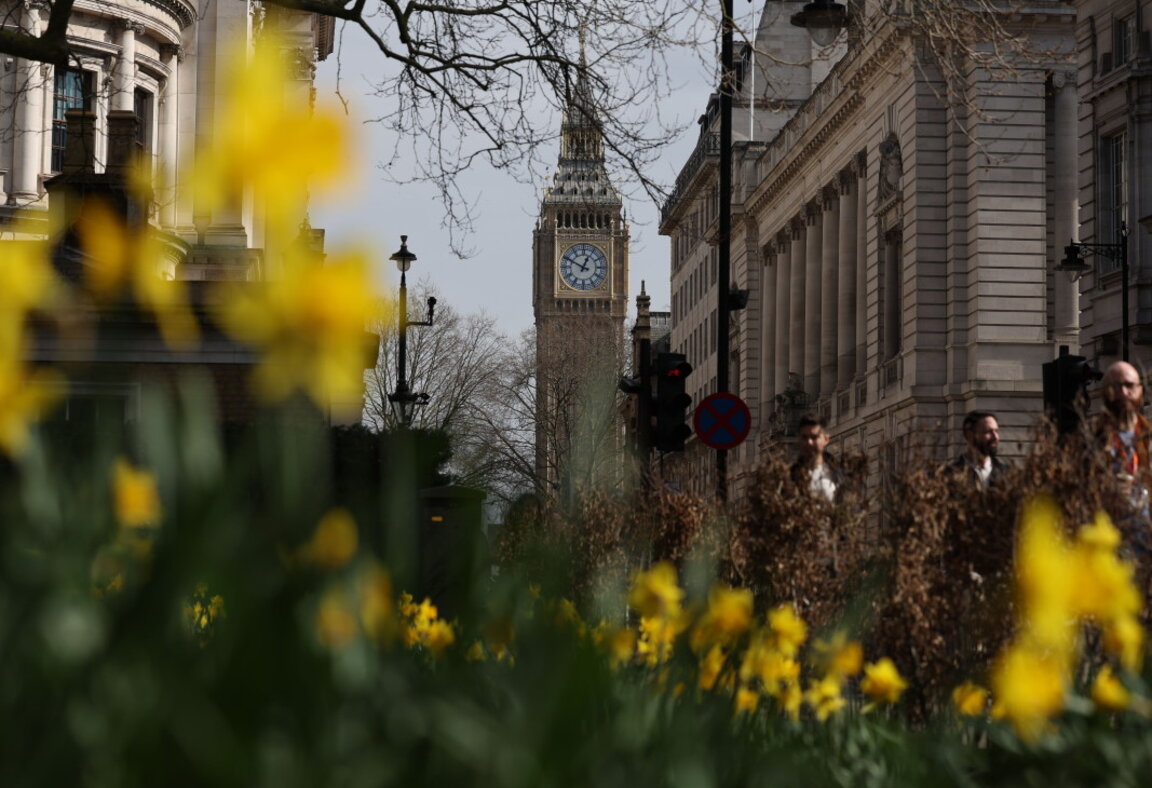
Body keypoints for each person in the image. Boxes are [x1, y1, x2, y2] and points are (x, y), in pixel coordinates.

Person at [1095, 361, 1151, 535]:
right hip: (1106, 538)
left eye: (1129, 385)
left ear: (1140, 390)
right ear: (1105, 392)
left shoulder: (1148, 436)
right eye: (1116, 386)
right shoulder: (1089, 438)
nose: (1123, 393)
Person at [947, 411, 1008, 490]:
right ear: (969, 435)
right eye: (988, 432)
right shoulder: (949, 474)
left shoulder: (1007, 474)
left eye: (996, 431)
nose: (995, 437)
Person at [791, 414, 842, 503]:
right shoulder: (790, 476)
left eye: (814, 437)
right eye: (804, 437)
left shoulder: (840, 474)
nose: (809, 442)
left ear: (826, 439)